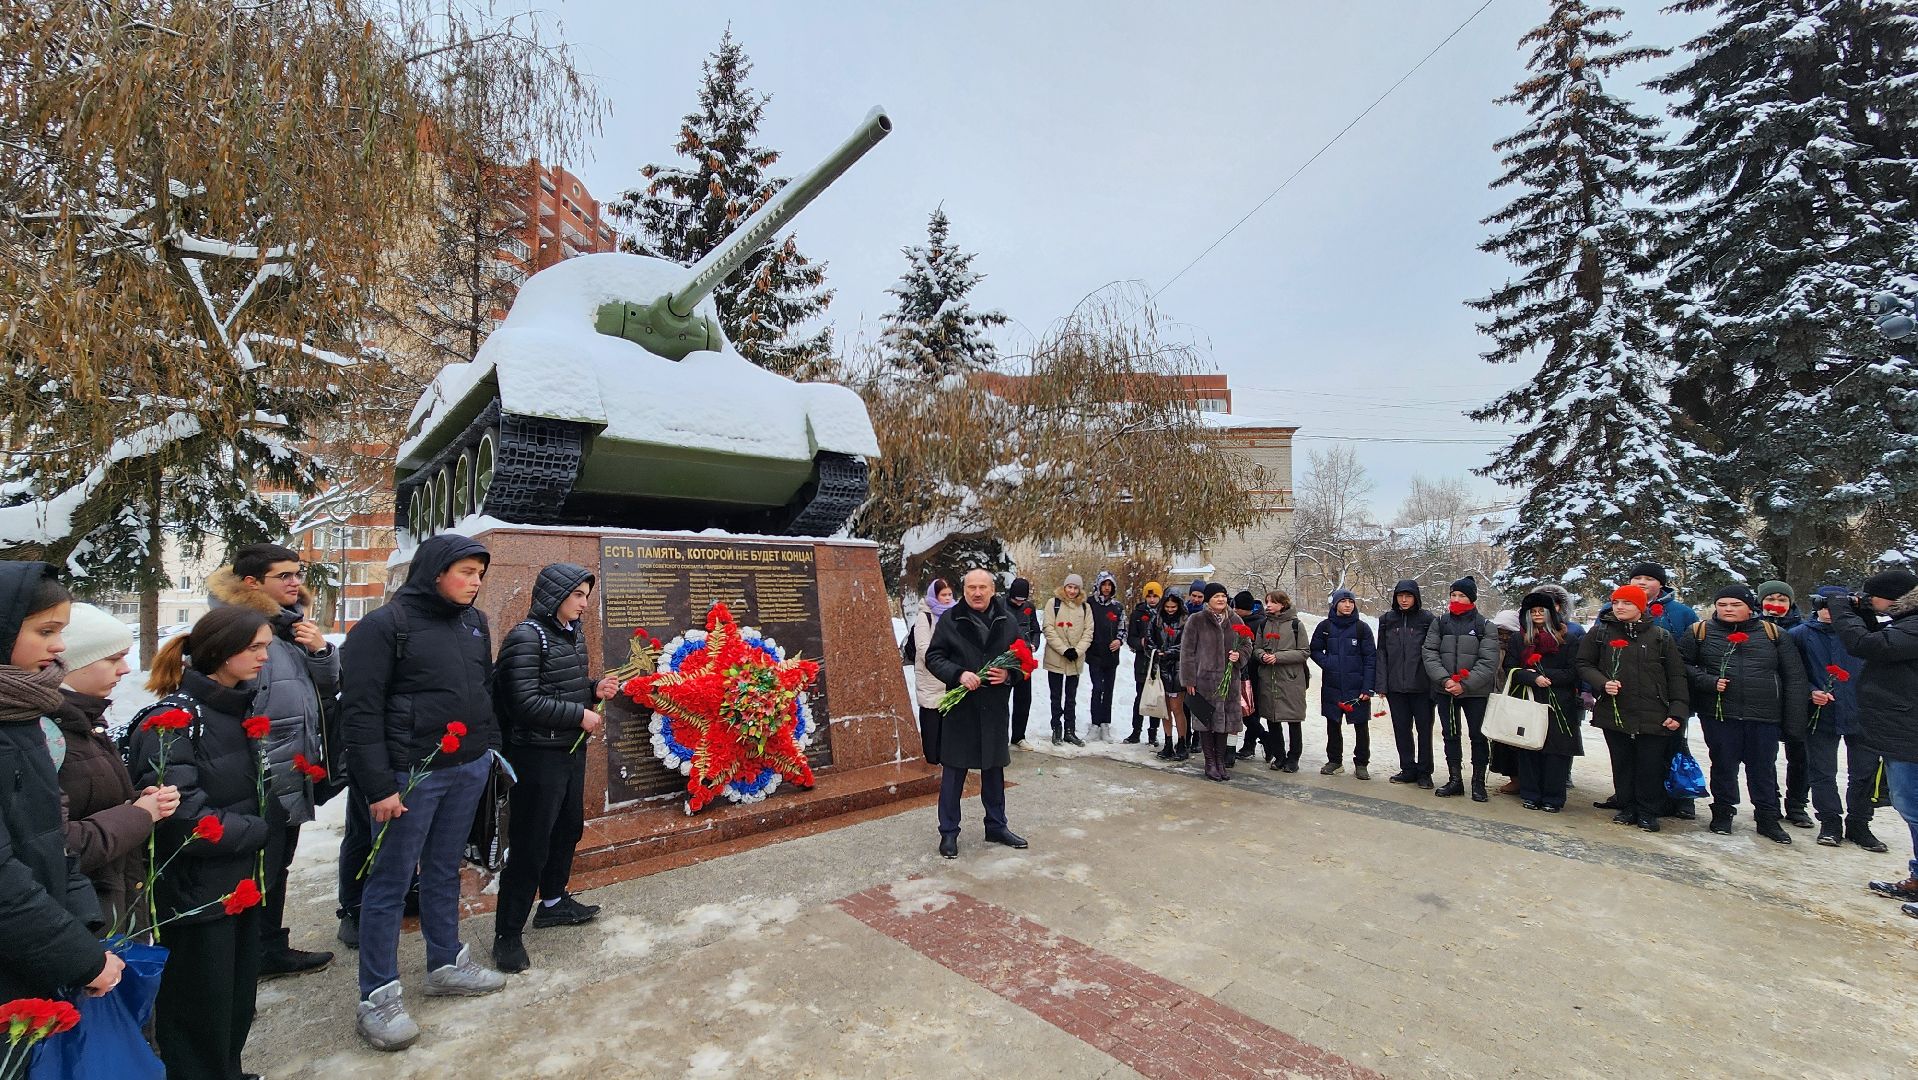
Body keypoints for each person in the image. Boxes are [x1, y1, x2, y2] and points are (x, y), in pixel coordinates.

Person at [341, 534, 506, 1051]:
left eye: (480, 574)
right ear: (435, 571)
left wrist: (489, 750)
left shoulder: (473, 623)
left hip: (467, 768)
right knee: (389, 884)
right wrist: (379, 785)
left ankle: (446, 961)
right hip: (411, 777)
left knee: (443, 870)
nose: (475, 583)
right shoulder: (384, 627)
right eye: (466, 573)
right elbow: (360, 713)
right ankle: (379, 996)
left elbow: (483, 689)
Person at [131, 605, 283, 1080]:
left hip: (234, 885)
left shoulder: (234, 707)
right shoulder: (173, 721)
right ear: (221, 650)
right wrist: (260, 831)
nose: (264, 657)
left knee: (235, 1002)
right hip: (195, 894)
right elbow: (182, 819)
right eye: (254, 648)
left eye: (267, 647)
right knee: (199, 1011)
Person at [207, 542, 339, 977]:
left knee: (277, 864)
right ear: (251, 583)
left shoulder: (289, 626)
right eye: (284, 576)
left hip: (292, 762)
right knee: (256, 866)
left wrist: (320, 651)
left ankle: (266, 947)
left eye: (298, 573)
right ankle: (246, 955)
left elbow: (321, 689)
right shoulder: (237, 629)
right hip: (260, 766)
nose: (295, 582)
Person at [0, 563, 121, 1006]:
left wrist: (86, 929)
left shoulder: (24, 710)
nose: (60, 646)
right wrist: (79, 958)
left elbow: (50, 839)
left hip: (37, 955)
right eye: (46, 630)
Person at [491, 564, 620, 975]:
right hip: (536, 754)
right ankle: (507, 934)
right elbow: (522, 702)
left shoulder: (571, 634)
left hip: (566, 750)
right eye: (578, 596)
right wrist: (578, 715)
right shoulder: (526, 637)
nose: (584, 604)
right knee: (530, 842)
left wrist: (592, 689)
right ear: (555, 596)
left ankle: (552, 902)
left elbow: (561, 686)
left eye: (586, 596)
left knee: (568, 828)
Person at [58, 602, 177, 935]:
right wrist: (139, 814)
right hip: (83, 919)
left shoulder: (86, 722)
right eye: (112, 659)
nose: (124, 669)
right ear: (70, 662)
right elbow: (58, 843)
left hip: (110, 902)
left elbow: (90, 800)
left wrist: (140, 801)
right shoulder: (49, 734)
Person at [1679, 584, 1809, 843]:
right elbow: (1681, 665)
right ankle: (1723, 812)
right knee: (1723, 765)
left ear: (1750, 608)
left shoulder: (1773, 634)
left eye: (1735, 605)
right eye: (1723, 604)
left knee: (1763, 768)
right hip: (1719, 713)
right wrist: (1707, 681)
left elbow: (1794, 677)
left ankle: (1767, 817)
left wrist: (1793, 722)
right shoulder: (1700, 632)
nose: (1728, 609)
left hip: (1763, 713)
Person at [1825, 569, 1918, 913]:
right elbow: (1881, 641)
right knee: (1911, 809)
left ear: (1894, 597)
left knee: (1915, 808)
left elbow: (1865, 645)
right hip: (1902, 731)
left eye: (1870, 596)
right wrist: (1862, 613)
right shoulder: (1907, 624)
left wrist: (1842, 609)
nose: (1867, 601)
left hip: (1910, 733)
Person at [923, 569, 1030, 858]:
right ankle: (948, 833)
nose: (977, 592)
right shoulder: (950, 620)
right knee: (954, 773)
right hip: (962, 710)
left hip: (993, 709)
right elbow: (933, 657)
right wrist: (958, 674)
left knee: (993, 771)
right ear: (964, 590)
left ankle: (996, 825)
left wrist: (1008, 676)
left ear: (992, 590)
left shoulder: (1007, 620)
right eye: (971, 587)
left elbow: (1023, 659)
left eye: (982, 587)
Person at [1594, 561, 1702, 819]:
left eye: (1649, 578)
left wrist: (1679, 704)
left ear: (1661, 584)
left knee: (1669, 751)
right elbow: (1593, 656)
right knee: (1628, 755)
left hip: (1662, 696)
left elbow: (1684, 663)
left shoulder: (1680, 614)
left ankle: (1677, 798)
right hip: (1624, 695)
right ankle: (1628, 799)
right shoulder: (1610, 614)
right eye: (1636, 577)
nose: (1642, 582)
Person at [1577, 585, 1689, 830]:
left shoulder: (1661, 636)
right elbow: (1584, 664)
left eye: (1627, 603)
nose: (1620, 607)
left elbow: (1676, 676)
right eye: (1616, 603)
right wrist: (1602, 683)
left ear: (1640, 606)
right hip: (1615, 709)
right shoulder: (1600, 633)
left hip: (1654, 712)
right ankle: (1627, 807)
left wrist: (1678, 711)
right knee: (1622, 762)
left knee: (1650, 764)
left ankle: (1648, 810)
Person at [1790, 587, 1881, 850]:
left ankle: (1860, 823)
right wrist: (1811, 691)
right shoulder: (1800, 635)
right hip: (1821, 714)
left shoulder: (1863, 635)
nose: (1829, 612)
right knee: (1821, 771)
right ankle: (1830, 821)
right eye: (1823, 605)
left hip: (1863, 713)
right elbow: (1793, 674)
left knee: (1864, 771)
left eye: (1835, 606)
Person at [1502, 592, 1586, 812]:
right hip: (1529, 697)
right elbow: (1510, 668)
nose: (1537, 615)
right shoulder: (1519, 639)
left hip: (1559, 700)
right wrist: (1532, 677)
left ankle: (1553, 796)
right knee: (1529, 746)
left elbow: (1574, 671)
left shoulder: (1568, 639)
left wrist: (1547, 676)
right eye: (1533, 611)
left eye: (1541, 611)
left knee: (1556, 751)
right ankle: (1530, 793)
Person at [1423, 577, 1501, 801]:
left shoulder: (1485, 626)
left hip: (1475, 692)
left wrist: (1465, 684)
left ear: (1472, 599)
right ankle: (1455, 779)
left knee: (1478, 736)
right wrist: (1445, 680)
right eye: (1453, 595)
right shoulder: (1440, 622)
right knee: (1450, 735)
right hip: (1445, 690)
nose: (1456, 599)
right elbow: (1429, 652)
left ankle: (1478, 782)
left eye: (1462, 596)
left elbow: (1488, 661)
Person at [1756, 580, 1813, 829]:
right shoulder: (1753, 627)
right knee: (1764, 756)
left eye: (1782, 600)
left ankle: (1797, 804)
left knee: (1800, 756)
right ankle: (1771, 800)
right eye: (1771, 599)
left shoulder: (1803, 630)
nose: (1776, 605)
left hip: (1799, 700)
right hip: (1764, 699)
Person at [1180, 583, 1248, 782]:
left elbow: (1247, 645)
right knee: (1205, 722)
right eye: (1216, 596)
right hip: (1204, 681)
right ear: (1208, 599)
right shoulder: (1196, 620)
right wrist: (1189, 679)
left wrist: (1239, 656)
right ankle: (1209, 763)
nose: (1221, 599)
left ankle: (1220, 761)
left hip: (1228, 682)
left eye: (1224, 596)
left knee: (1224, 723)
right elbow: (1187, 652)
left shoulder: (1235, 619)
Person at [1376, 579, 1436, 787]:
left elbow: (1433, 652)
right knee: (1401, 728)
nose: (1404, 600)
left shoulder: (1426, 619)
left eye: (1408, 596)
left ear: (1416, 597)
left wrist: (1434, 682)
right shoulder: (1387, 620)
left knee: (1424, 730)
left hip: (1422, 686)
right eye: (1400, 596)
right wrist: (1382, 685)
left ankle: (1425, 771)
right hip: (1396, 687)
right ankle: (1408, 768)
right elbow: (1381, 652)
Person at [1310, 590, 1376, 778]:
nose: (1348, 605)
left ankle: (1362, 763)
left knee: (1361, 726)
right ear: (1335, 604)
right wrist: (1327, 663)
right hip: (1332, 684)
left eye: (1351, 602)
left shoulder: (1362, 628)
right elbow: (1314, 649)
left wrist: (1367, 687)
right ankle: (1335, 761)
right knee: (1333, 723)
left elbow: (1371, 658)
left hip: (1357, 686)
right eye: (1343, 601)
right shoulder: (1325, 627)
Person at [1254, 591, 1310, 772]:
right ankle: (1280, 756)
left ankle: (1294, 758)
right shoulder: (1264, 624)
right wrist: (1263, 656)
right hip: (1269, 678)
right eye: (1267, 602)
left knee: (1293, 719)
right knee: (1272, 719)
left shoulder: (1296, 625)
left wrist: (1278, 657)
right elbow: (1257, 648)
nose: (1268, 605)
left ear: (1282, 604)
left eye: (1272, 602)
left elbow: (1304, 651)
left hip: (1291, 678)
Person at [906, 578, 957, 764]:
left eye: (949, 594)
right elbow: (922, 647)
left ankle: (944, 755)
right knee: (931, 717)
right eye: (943, 595)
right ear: (934, 596)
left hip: (950, 673)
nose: (947, 598)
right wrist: (939, 663)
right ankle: (931, 758)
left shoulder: (954, 613)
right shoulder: (925, 616)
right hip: (930, 673)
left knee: (946, 717)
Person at [1042, 573, 1093, 747]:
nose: (1072, 591)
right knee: (1055, 696)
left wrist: (1077, 651)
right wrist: (1064, 650)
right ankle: (1056, 727)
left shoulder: (1085, 607)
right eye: (1069, 587)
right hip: (1055, 657)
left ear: (1080, 589)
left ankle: (1070, 730)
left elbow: (1088, 632)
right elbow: (1048, 628)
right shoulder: (1053, 603)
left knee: (1071, 697)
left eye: (1075, 588)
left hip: (1075, 660)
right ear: (1064, 587)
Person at [1149, 593, 1191, 762]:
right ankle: (1168, 742)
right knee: (1164, 709)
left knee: (1177, 708)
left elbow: (1187, 644)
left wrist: (1169, 652)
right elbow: (1149, 639)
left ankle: (1182, 743)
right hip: (1160, 667)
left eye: (1174, 607)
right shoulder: (1156, 619)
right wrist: (1155, 652)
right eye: (1167, 607)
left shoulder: (1186, 621)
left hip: (1178, 668)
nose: (1170, 610)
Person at [1086, 572, 1125, 742]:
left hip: (1111, 655)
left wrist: (1119, 640)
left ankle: (1105, 723)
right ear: (1099, 585)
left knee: (1108, 689)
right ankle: (1094, 723)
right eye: (1104, 585)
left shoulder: (1117, 607)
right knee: (1097, 688)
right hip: (1094, 653)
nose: (1106, 588)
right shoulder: (1090, 604)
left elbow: (1123, 628)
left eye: (1109, 585)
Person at [1123, 581, 1164, 744]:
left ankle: (1153, 732)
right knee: (1140, 696)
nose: (1152, 599)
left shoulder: (1163, 613)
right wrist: (1140, 643)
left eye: (1155, 596)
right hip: (1142, 661)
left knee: (1156, 697)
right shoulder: (1138, 613)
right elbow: (1130, 637)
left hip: (1158, 660)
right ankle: (1136, 730)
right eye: (1149, 596)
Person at [1005, 578, 1041, 750]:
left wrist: (1034, 643)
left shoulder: (1029, 608)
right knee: (1002, 700)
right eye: (1016, 599)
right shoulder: (1000, 605)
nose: (1019, 603)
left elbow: (1035, 629)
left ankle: (1019, 736)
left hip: (1025, 660)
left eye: (1022, 600)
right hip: (1006, 659)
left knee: (1023, 699)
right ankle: (1000, 737)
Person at [1231, 591, 1265, 762]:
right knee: (1247, 712)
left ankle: (1255, 743)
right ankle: (1260, 741)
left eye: (1237, 607)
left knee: (1249, 712)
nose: (1235, 610)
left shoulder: (1258, 624)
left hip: (1252, 673)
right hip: (1241, 672)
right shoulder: (1240, 621)